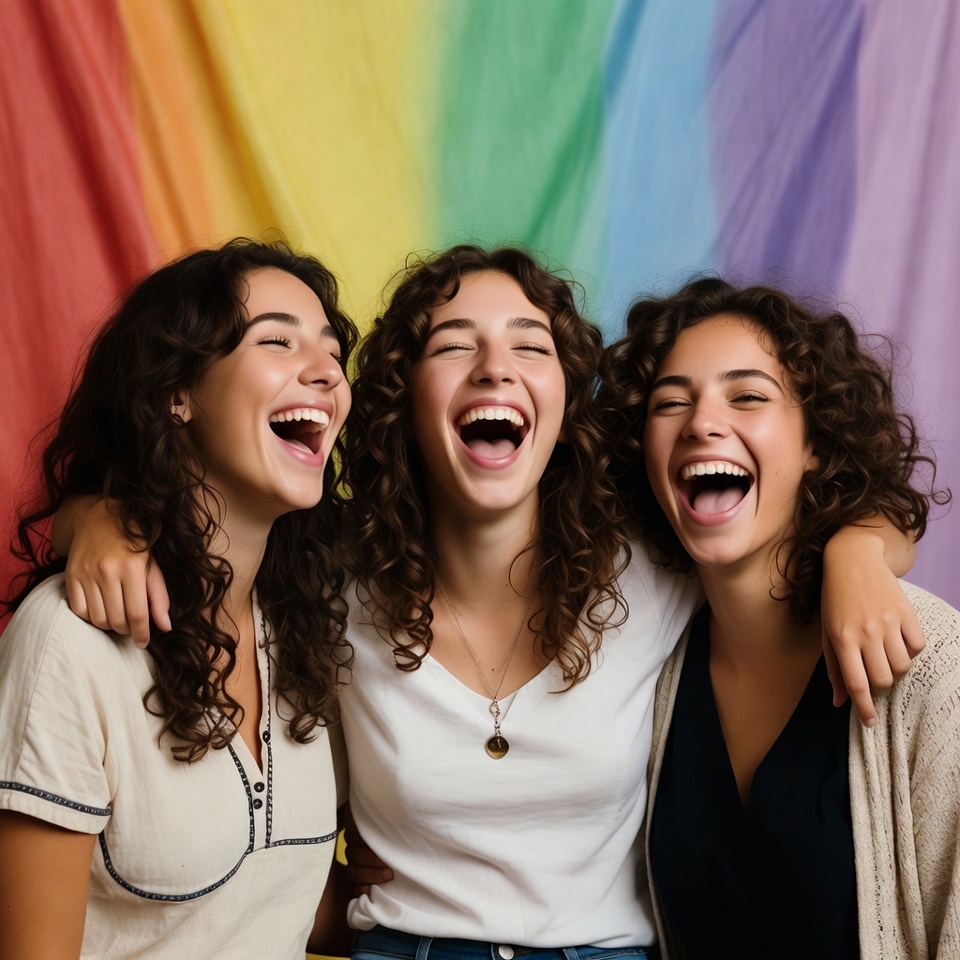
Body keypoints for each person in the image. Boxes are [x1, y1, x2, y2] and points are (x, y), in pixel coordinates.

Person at [55, 247, 921, 959]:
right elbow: (204, 514)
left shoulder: (653, 564)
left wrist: (861, 550)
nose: (495, 367)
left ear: (565, 403)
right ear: (401, 397)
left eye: (531, 347)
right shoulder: (325, 573)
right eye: (453, 346)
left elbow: (783, 507)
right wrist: (96, 517)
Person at [0, 239, 357, 959]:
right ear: (176, 393)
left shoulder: (307, 627)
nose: (324, 373)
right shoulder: (70, 641)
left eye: (331, 353)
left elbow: (276, 894)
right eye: (277, 341)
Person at [602, 277, 959, 958]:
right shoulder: (645, 657)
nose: (702, 422)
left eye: (748, 397)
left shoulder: (929, 660)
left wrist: (859, 549)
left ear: (814, 445)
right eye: (670, 402)